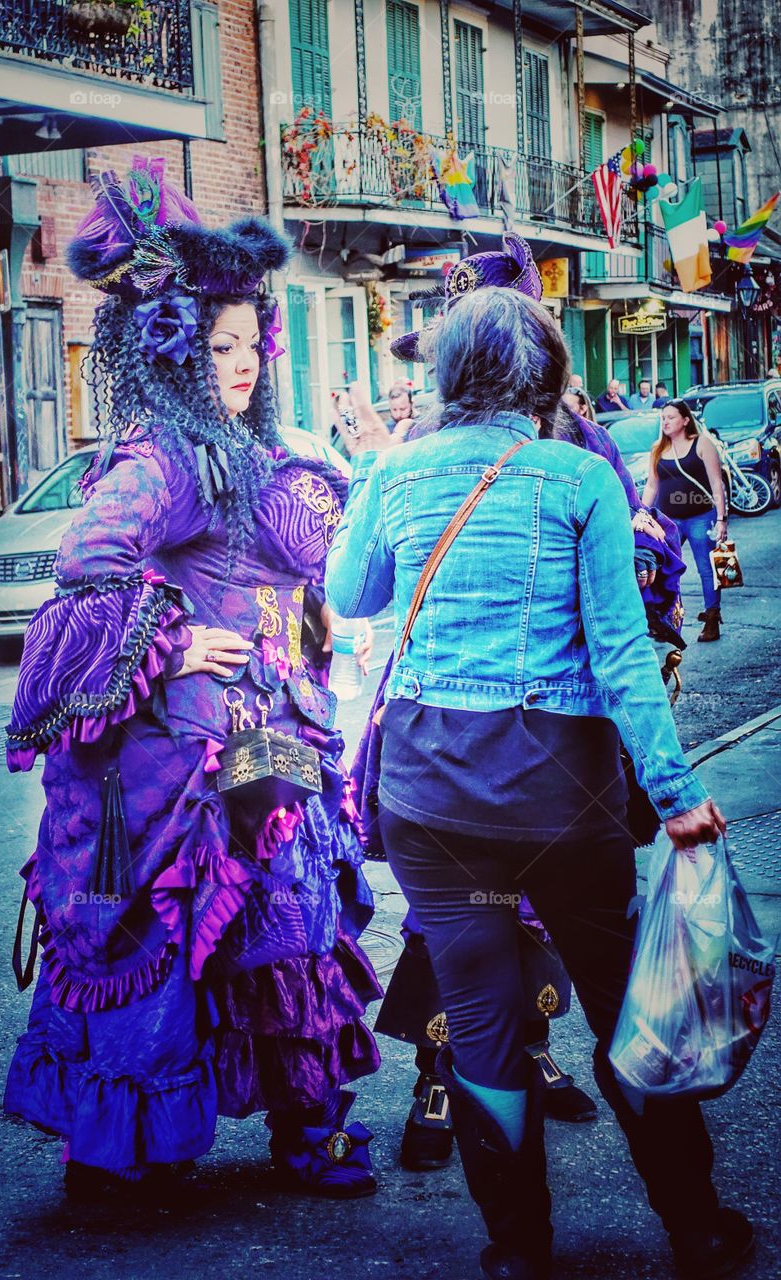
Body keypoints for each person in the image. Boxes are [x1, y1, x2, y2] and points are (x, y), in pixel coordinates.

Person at [325, 289, 751, 1280]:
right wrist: (675, 790)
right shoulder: (576, 478)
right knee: (620, 1003)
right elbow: (618, 657)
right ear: (548, 379)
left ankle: (516, 1248)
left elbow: (349, 594)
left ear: (446, 378)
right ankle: (693, 1225)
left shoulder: (395, 470)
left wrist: (370, 466)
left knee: (475, 1015)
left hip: (432, 796)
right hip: (560, 798)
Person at [3, 158, 381, 1204]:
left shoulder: (251, 452)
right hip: (185, 757)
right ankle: (121, 1152)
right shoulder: (163, 456)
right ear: (172, 353)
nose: (245, 361)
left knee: (290, 927)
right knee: (187, 935)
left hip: (271, 730)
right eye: (217, 346)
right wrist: (170, 646)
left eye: (250, 341)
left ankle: (305, 1133)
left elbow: (312, 561)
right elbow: (89, 560)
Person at [643, 399, 728, 643]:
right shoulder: (658, 448)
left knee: (706, 569)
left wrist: (721, 518)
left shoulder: (702, 444)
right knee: (660, 569)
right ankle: (663, 620)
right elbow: (652, 485)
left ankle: (712, 618)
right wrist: (641, 512)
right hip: (668, 520)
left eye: (670, 417)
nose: (665, 421)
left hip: (701, 517)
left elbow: (716, 484)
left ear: (685, 420)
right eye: (663, 418)